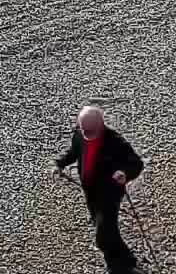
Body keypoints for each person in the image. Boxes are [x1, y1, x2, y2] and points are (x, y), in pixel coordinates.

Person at [53, 105, 146, 272]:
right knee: (105, 226)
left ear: (101, 125)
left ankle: (117, 266)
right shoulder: (79, 133)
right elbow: (74, 152)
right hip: (89, 190)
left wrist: (124, 173)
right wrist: (60, 163)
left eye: (90, 132)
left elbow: (136, 163)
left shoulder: (115, 141)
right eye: (84, 131)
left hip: (110, 192)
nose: (87, 135)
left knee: (102, 234)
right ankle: (127, 258)